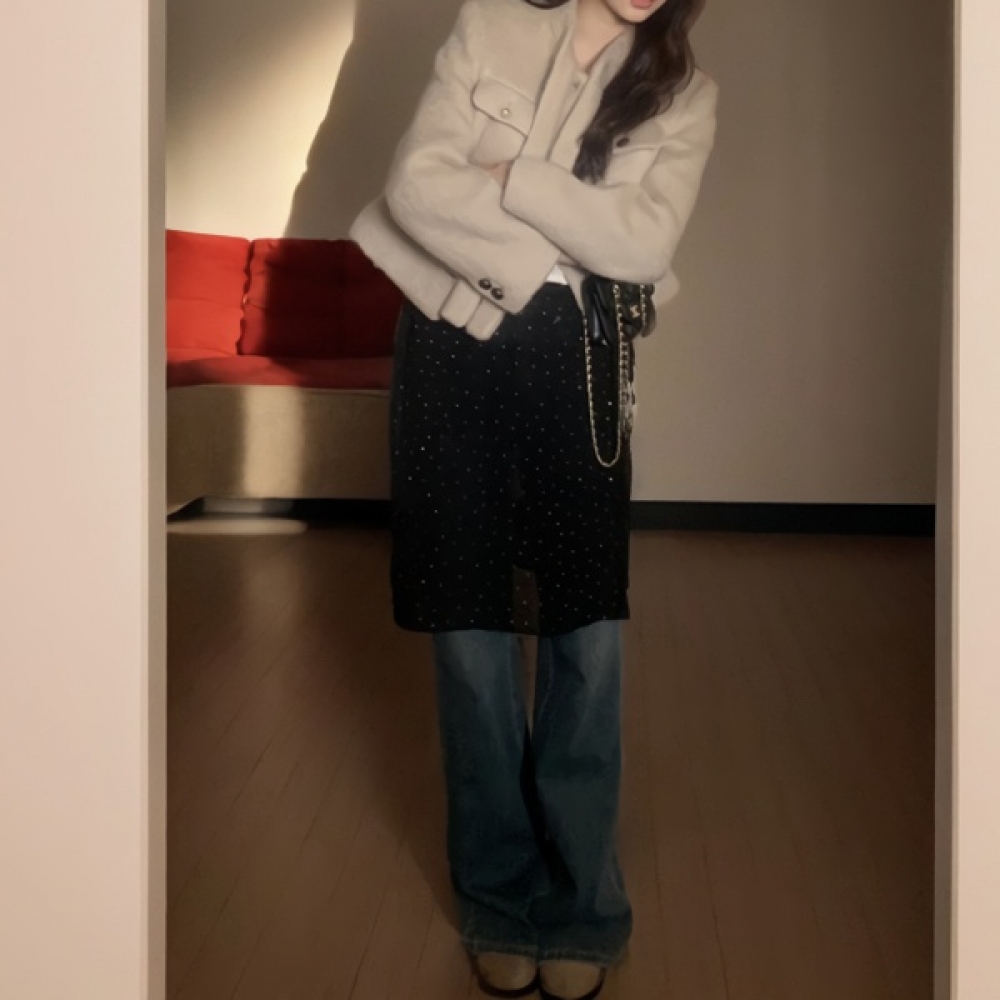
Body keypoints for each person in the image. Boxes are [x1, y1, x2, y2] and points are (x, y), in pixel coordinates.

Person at [349, 0, 717, 996]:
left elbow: (642, 245)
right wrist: (558, 251)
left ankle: (583, 905)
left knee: (584, 637)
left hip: (582, 363)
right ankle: (495, 894)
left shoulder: (685, 93)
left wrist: (511, 176)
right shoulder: (492, 23)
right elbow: (414, 185)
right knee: (467, 633)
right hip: (450, 349)